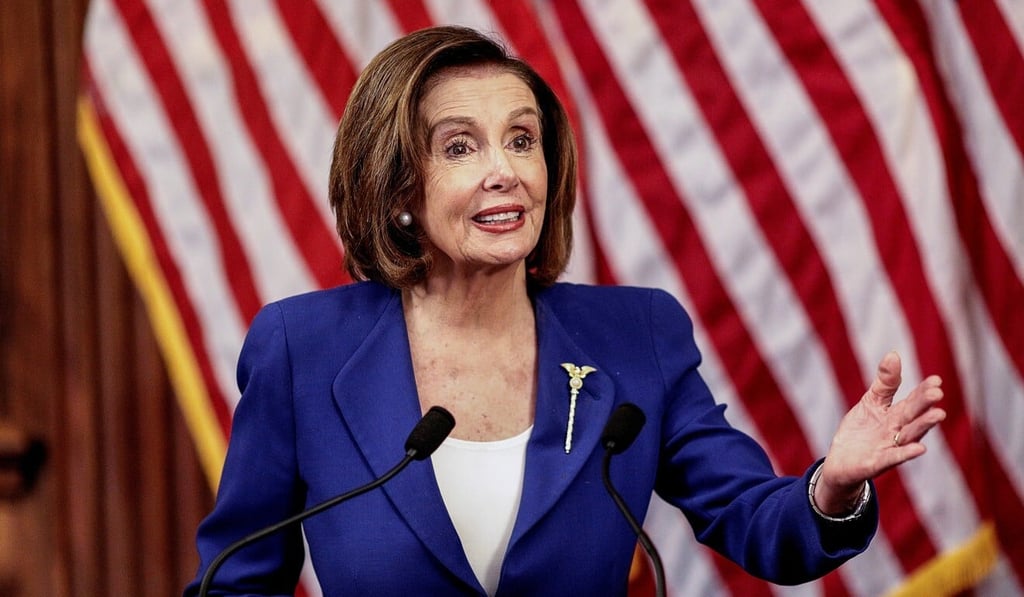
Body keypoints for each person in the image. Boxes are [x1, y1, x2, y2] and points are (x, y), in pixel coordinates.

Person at [185, 25, 946, 596]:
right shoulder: (302, 349)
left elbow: (752, 519)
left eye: (523, 139)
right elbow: (235, 578)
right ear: (398, 191)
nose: (504, 171)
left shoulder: (634, 336)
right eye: (459, 148)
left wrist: (832, 488)